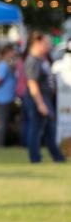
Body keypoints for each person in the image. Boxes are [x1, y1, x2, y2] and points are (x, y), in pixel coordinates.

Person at [23, 32, 66, 163]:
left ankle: (57, 156)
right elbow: (32, 84)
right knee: (36, 129)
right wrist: (40, 104)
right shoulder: (32, 60)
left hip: (45, 98)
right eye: (46, 43)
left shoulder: (42, 59)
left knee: (49, 129)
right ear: (37, 43)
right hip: (38, 98)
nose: (49, 46)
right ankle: (35, 157)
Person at [0, 44, 17, 147]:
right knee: (2, 122)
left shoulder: (6, 64)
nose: (14, 53)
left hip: (5, 97)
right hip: (2, 97)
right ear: (7, 52)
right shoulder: (3, 65)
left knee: (3, 122)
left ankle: (1, 143)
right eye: (12, 51)